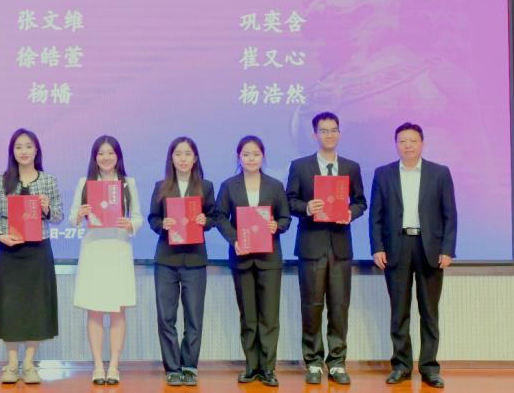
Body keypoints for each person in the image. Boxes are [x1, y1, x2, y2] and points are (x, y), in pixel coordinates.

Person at [369, 122, 457, 389]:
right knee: (399, 310)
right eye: (402, 141)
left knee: (429, 311)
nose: (407, 145)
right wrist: (377, 247)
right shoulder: (383, 174)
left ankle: (429, 368)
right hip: (396, 247)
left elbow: (450, 215)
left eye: (412, 140)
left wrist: (447, 249)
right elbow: (375, 216)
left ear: (422, 143)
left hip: (430, 248)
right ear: (396, 144)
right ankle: (401, 366)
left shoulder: (439, 173)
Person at [285, 112, 367, 385]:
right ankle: (313, 361)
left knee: (339, 305)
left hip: (341, 246)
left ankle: (337, 362)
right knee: (312, 306)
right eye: (323, 130)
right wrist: (307, 207)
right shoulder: (300, 166)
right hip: (311, 246)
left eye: (333, 130)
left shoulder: (351, 167)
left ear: (339, 133)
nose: (329, 134)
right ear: (314, 135)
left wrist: (350, 213)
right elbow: (289, 201)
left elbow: (361, 202)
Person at [0, 128, 63, 385]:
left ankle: (29, 364)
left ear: (36, 150)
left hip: (38, 251)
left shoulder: (48, 180)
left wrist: (47, 208)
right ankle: (11, 364)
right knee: (10, 307)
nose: (24, 151)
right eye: (18, 147)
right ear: (13, 151)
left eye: (28, 146)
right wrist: (1, 235)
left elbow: (59, 216)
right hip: (10, 251)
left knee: (36, 307)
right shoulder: (2, 180)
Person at [215, 136, 291, 388]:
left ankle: (268, 368)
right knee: (248, 315)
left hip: (269, 259)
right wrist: (234, 238)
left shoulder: (275, 186)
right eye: (246, 154)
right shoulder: (229, 186)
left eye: (256, 154)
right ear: (239, 157)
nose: (251, 158)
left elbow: (285, 218)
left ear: (263, 156)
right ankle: (251, 366)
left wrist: (276, 226)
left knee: (269, 316)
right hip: (242, 257)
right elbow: (219, 216)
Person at [69, 136, 142, 385]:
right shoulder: (85, 183)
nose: (106, 157)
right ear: (94, 157)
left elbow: (138, 217)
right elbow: (72, 219)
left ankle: (114, 367)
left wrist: (130, 224)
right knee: (95, 309)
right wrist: (79, 214)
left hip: (118, 249)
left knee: (118, 311)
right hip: (94, 250)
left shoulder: (128, 183)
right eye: (101, 153)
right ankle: (98, 366)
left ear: (118, 156)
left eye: (110, 153)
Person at [147, 137, 215, 387]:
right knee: (166, 317)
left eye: (188, 154)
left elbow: (214, 216)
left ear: (195, 158)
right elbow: (153, 219)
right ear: (172, 158)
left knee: (194, 317)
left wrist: (205, 221)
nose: (183, 158)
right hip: (166, 259)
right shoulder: (161, 186)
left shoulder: (205, 186)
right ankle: (172, 368)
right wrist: (162, 224)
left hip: (195, 259)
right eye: (178, 154)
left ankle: (189, 366)